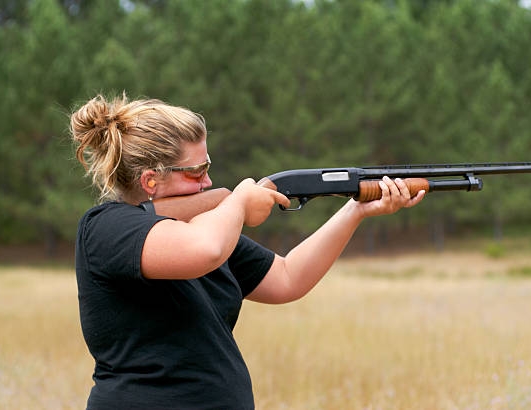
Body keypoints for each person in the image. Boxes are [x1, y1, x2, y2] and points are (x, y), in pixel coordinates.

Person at [70, 94, 424, 410]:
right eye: (197, 172)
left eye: (207, 167)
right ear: (150, 180)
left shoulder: (208, 227)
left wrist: (356, 210)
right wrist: (238, 202)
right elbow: (205, 250)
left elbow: (288, 278)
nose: (208, 182)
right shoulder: (105, 227)